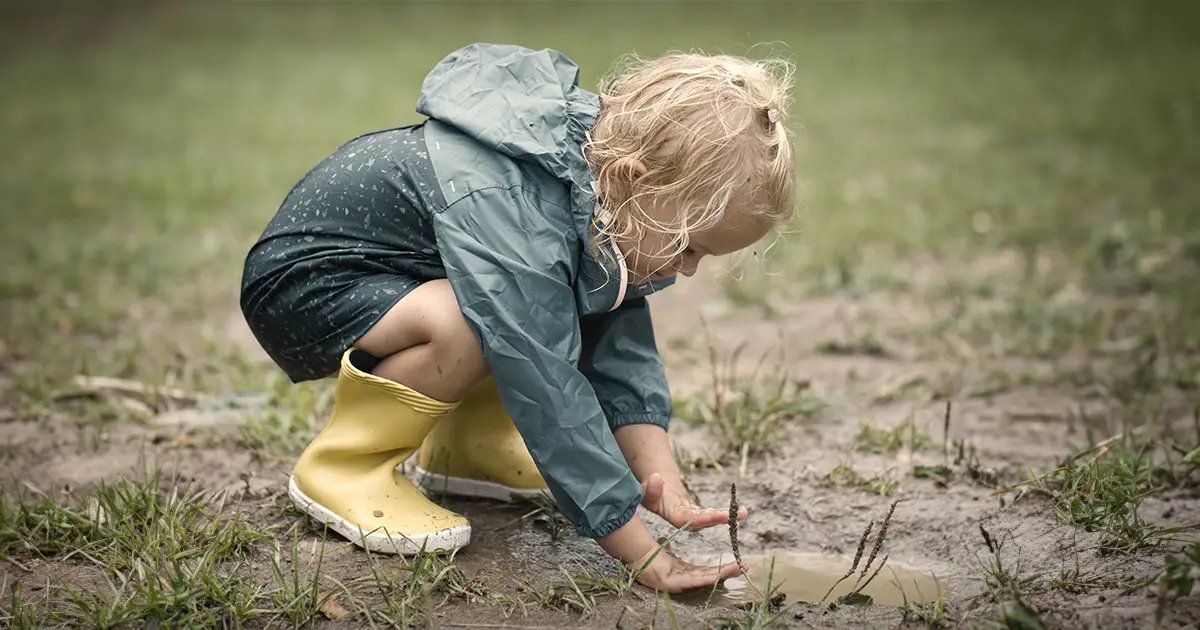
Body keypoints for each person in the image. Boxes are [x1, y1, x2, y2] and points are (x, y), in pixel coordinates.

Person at [240, 42, 795, 594]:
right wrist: (645, 555)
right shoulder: (516, 203)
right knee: (480, 322)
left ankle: (469, 452)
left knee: (525, 307)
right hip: (309, 283)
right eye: (689, 247)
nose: (690, 270)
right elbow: (544, 382)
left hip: (397, 279)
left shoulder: (600, 191)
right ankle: (345, 466)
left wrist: (660, 477)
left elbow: (617, 328)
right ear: (633, 179)